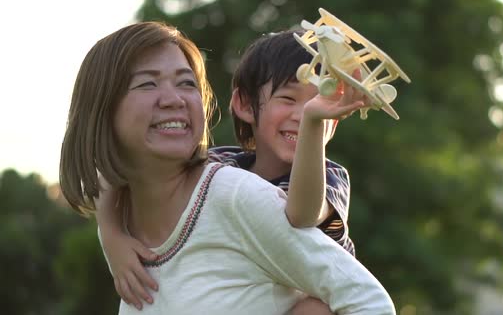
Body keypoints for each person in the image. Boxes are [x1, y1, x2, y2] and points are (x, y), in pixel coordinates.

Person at [60, 21, 394, 314]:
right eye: (147, 84)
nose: (173, 99)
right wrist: (112, 236)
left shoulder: (261, 189)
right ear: (244, 105)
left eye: (187, 83)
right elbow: (106, 176)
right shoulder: (220, 165)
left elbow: (304, 215)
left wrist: (312, 124)